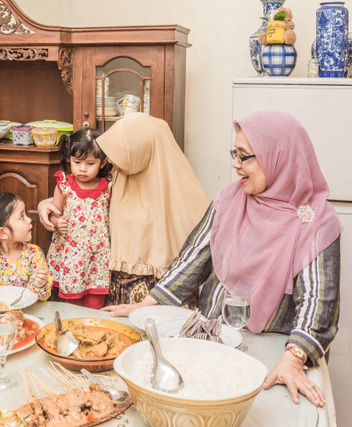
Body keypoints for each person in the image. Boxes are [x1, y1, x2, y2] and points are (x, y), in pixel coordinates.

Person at [104, 110, 341, 408]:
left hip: (274, 356)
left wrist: (293, 359)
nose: (235, 165)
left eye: (245, 156)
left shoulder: (315, 222)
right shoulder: (229, 199)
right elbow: (193, 259)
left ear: (277, 157)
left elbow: (319, 303)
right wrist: (146, 304)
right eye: (235, 153)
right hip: (212, 345)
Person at [39, 113, 208, 306]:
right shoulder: (117, 175)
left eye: (119, 153)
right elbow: (82, 202)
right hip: (103, 283)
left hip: (158, 293)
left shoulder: (180, 189)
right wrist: (45, 205)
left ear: (140, 150)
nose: (109, 160)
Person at [45, 127, 113, 309]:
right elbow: (53, 213)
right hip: (71, 257)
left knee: (95, 304)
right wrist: (57, 223)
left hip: (97, 257)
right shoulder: (64, 185)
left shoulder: (108, 185)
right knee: (72, 306)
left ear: (103, 162)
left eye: (90, 163)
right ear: (69, 160)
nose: (82, 169)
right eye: (77, 162)